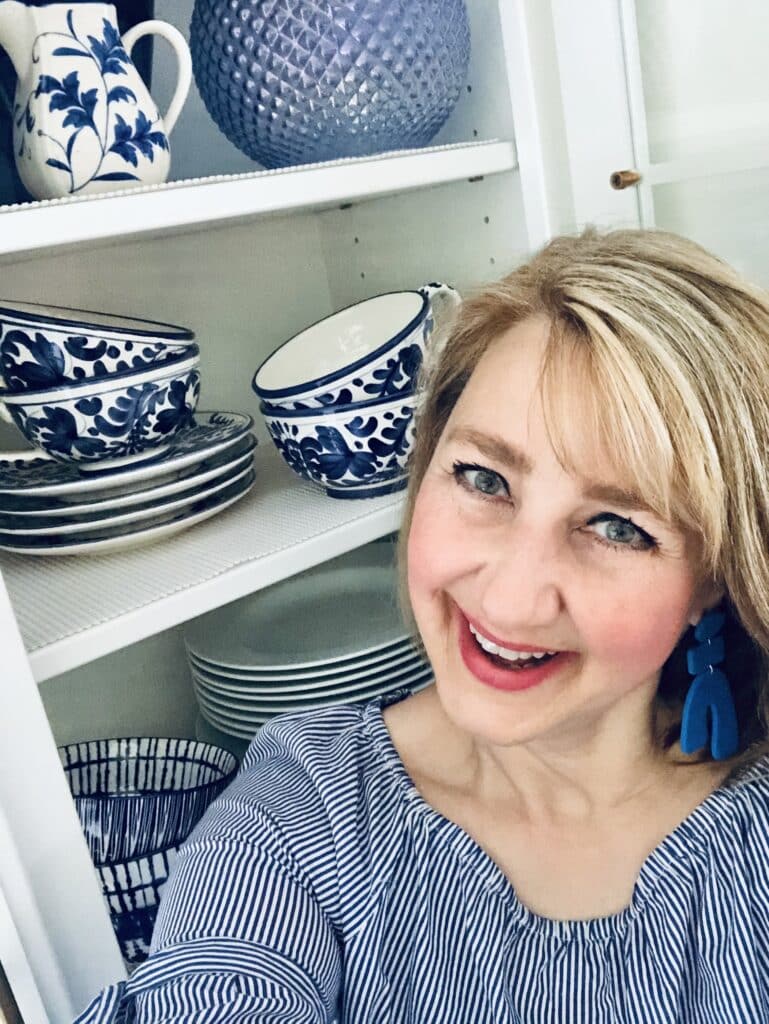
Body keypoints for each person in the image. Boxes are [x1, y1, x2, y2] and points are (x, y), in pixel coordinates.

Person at [75, 228, 769, 1023]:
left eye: (617, 526)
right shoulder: (302, 813)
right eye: (484, 479)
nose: (509, 601)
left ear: (710, 581)